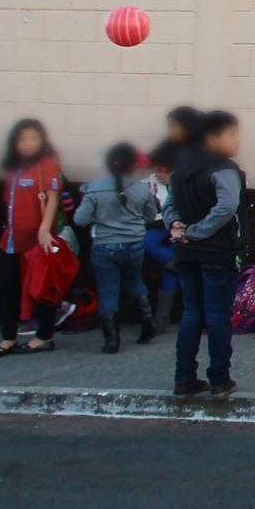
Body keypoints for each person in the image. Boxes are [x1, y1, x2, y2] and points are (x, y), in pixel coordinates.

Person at [162, 110, 248, 399]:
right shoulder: (223, 168)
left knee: (191, 314)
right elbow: (227, 206)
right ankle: (220, 379)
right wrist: (197, 231)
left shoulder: (181, 167)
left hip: (186, 253)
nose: (237, 140)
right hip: (217, 252)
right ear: (211, 137)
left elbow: (170, 203)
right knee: (217, 315)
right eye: (231, 134)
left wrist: (176, 227)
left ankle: (183, 378)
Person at [75, 142, 159, 353]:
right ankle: (148, 323)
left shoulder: (94, 188)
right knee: (135, 280)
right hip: (134, 244)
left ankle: (112, 340)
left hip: (104, 245)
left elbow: (80, 219)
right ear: (133, 165)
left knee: (107, 289)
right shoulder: (142, 189)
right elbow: (150, 216)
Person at [0, 119, 62, 358]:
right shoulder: (14, 166)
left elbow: (52, 197)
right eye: (22, 138)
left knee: (42, 287)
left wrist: (44, 229)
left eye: (33, 138)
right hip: (11, 237)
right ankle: (8, 337)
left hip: (37, 238)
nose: (28, 143)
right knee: (9, 287)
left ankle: (44, 335)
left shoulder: (46, 163)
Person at [143, 139, 181, 329]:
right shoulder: (153, 175)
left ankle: (160, 321)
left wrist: (173, 179)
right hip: (158, 222)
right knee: (167, 261)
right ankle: (180, 265)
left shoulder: (185, 170)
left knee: (168, 269)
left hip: (178, 220)